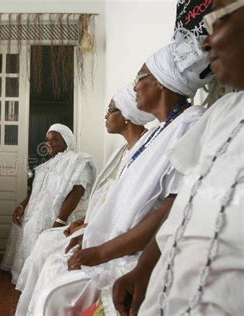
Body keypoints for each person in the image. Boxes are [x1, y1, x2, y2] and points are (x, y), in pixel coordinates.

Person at [24, 36, 213, 315]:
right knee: (53, 266)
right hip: (118, 243)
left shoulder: (190, 125)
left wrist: (102, 250)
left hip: (141, 252)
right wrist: (94, 233)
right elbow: (125, 201)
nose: (135, 85)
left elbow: (171, 209)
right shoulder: (162, 130)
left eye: (141, 77)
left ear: (160, 81)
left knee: (57, 292)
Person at [113, 1, 244, 315]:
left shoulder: (193, 120)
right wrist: (144, 269)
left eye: (219, 20)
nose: (205, 42)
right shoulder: (223, 113)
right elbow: (184, 207)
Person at [14, 83, 155, 315]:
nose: (106, 116)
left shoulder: (141, 152)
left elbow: (133, 207)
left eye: (111, 110)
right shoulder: (123, 152)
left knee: (49, 260)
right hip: (98, 224)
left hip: (117, 235)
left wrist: (69, 223)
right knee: (43, 248)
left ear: (128, 115)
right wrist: (86, 223)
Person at [0, 124, 97, 284]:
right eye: (48, 140)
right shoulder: (46, 165)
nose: (49, 143)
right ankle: (25, 275)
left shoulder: (77, 161)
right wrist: (21, 206)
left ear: (67, 141)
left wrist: (60, 220)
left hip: (56, 215)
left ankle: (36, 280)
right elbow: (35, 192)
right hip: (34, 212)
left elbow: (77, 192)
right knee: (24, 229)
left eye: (55, 139)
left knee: (42, 240)